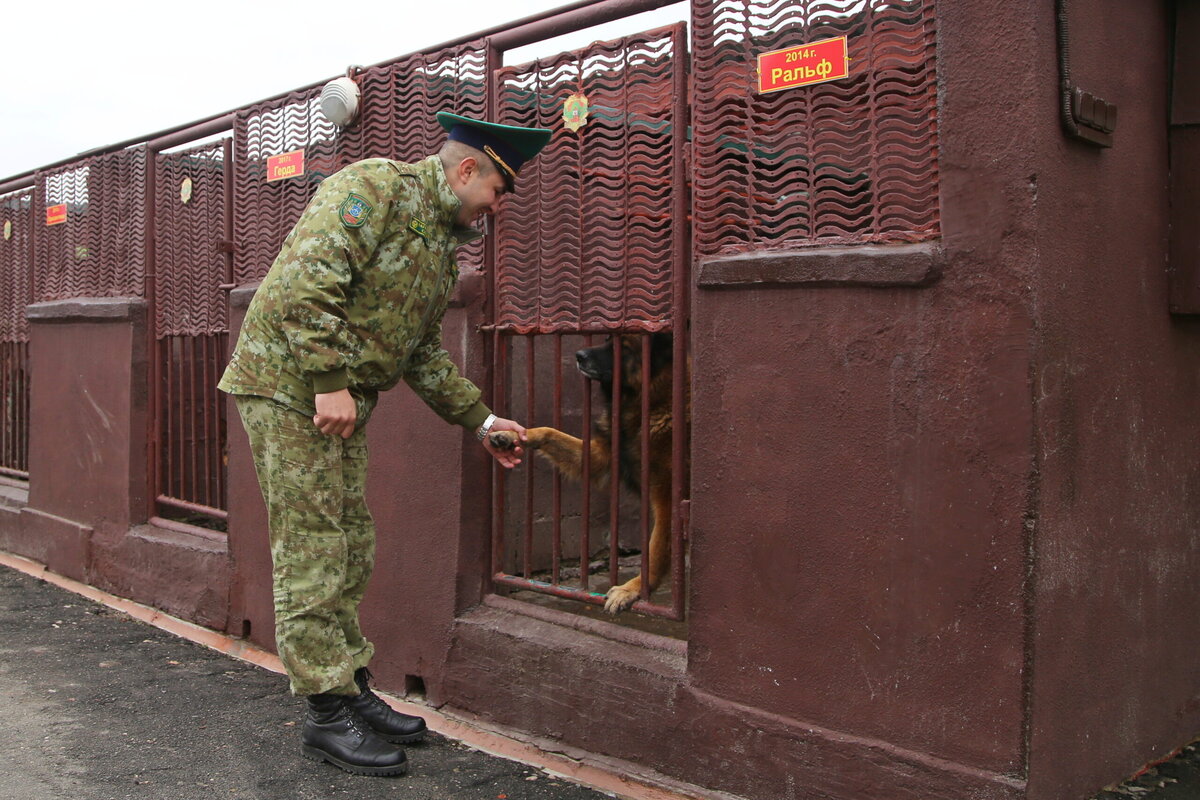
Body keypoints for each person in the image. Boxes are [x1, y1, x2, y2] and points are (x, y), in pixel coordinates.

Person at [218, 112, 552, 777]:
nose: (495, 206)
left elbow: (421, 354)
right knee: (314, 545)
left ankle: (348, 686)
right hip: (289, 384)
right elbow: (307, 284)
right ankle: (323, 712)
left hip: (332, 397)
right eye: (496, 190)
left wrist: (482, 422)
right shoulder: (375, 188)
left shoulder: (436, 242)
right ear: (466, 170)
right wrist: (328, 381)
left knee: (350, 539)